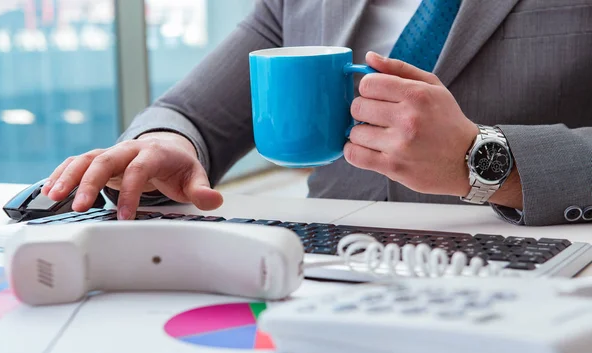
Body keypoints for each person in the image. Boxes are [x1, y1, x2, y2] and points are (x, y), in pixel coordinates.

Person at [42, 0, 592, 226]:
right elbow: (190, 113)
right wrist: (169, 143)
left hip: (524, 265)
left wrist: (483, 160)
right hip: (322, 262)